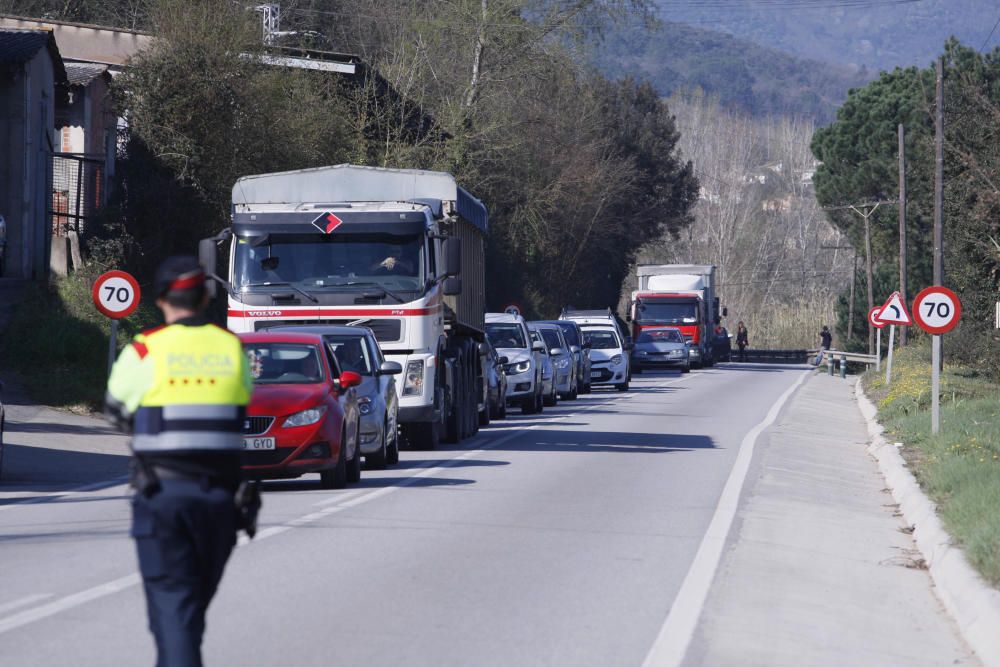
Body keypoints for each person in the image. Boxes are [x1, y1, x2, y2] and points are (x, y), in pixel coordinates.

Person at [105, 256, 254, 667]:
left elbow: (115, 411)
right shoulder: (231, 348)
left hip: (163, 499)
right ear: (206, 297)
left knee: (175, 609)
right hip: (220, 503)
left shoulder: (144, 348)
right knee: (186, 613)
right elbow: (239, 407)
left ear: (160, 300)